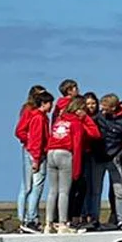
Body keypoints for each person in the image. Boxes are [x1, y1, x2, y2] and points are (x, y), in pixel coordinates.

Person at [43, 93, 98, 233]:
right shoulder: (76, 123)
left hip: (51, 153)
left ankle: (48, 223)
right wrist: (77, 169)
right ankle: (62, 223)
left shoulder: (59, 121)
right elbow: (78, 145)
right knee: (64, 192)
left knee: (52, 190)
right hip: (65, 154)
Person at [94, 93, 122, 228]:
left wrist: (119, 156)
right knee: (97, 190)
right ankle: (94, 218)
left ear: (113, 107)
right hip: (100, 157)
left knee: (119, 191)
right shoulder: (100, 117)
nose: (102, 109)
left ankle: (121, 219)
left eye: (105, 107)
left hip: (114, 158)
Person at [13, 86, 53, 232]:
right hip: (34, 151)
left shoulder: (38, 115)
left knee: (28, 187)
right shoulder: (34, 114)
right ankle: (28, 218)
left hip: (32, 150)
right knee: (31, 187)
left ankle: (26, 218)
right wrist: (31, 146)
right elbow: (22, 132)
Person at [77, 93, 107, 228]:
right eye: (88, 104)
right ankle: (84, 214)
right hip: (85, 154)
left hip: (97, 155)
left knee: (96, 188)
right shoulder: (80, 119)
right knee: (84, 187)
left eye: (93, 103)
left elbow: (99, 135)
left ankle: (94, 216)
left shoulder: (100, 118)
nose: (91, 106)